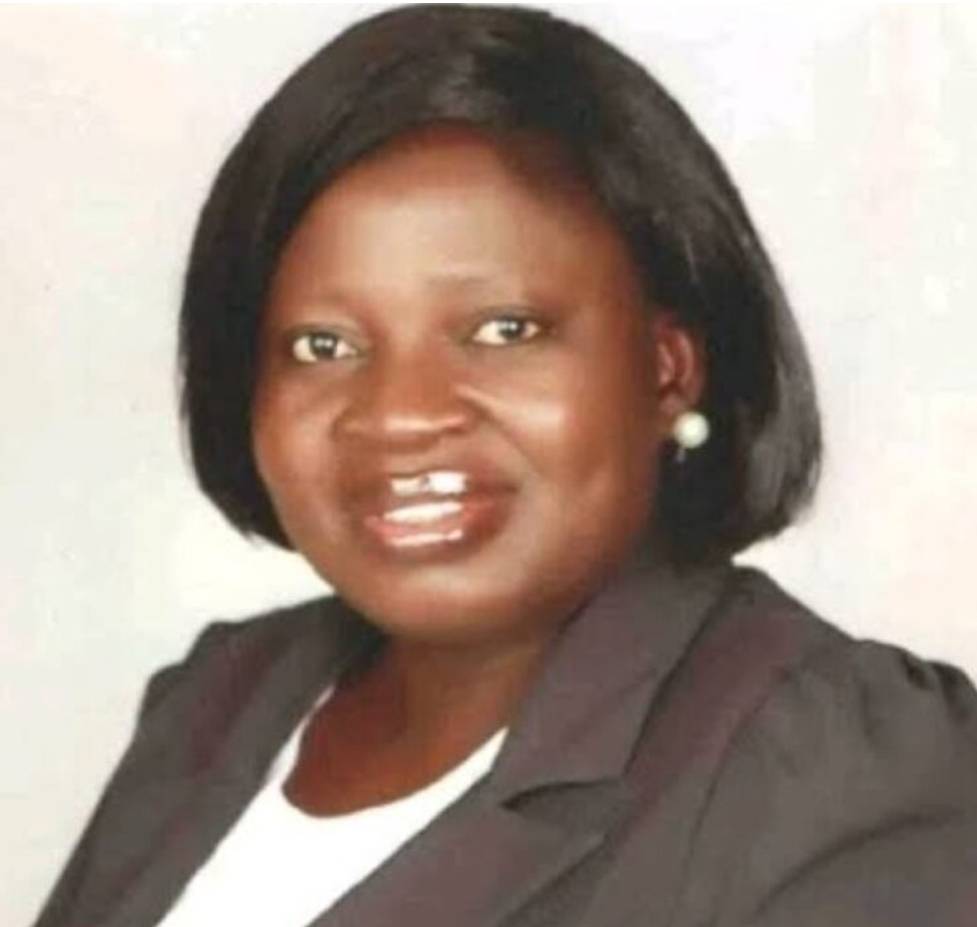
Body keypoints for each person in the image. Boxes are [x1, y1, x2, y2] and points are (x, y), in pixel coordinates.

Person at [33, 5, 977, 926]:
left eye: (503, 330)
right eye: (323, 345)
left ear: (665, 368)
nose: (400, 414)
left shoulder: (830, 767)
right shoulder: (221, 701)